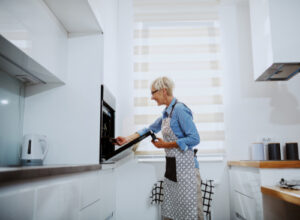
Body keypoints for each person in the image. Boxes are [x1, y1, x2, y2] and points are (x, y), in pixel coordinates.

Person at [115, 77, 204, 220]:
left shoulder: (180, 110)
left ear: (163, 91)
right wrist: (126, 139)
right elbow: (149, 129)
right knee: (172, 212)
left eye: (153, 93)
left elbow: (195, 139)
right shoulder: (166, 113)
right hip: (172, 168)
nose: (151, 97)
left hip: (187, 171)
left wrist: (166, 145)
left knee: (191, 212)